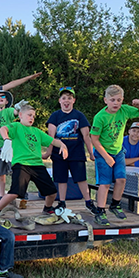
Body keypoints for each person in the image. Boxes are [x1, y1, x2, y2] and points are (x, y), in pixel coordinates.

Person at [0, 104, 69, 216]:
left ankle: (47, 208)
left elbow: (53, 141)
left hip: (37, 165)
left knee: (52, 192)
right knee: (15, 193)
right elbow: (3, 129)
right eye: (29, 115)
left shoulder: (36, 131)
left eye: (33, 116)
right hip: (21, 164)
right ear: (20, 115)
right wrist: (7, 140)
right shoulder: (17, 126)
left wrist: (62, 145)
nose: (31, 118)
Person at [90, 85, 139, 226]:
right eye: (112, 100)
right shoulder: (100, 117)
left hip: (118, 152)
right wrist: (106, 156)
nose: (116, 103)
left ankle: (115, 205)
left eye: (119, 100)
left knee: (121, 179)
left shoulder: (124, 110)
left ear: (122, 100)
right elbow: (94, 139)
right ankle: (100, 211)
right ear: (105, 100)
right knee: (104, 183)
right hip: (103, 152)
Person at [43, 86, 98, 214]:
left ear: (74, 100)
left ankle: (88, 202)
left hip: (76, 153)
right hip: (59, 154)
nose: (66, 101)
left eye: (69, 98)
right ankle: (61, 202)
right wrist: (48, 152)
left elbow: (86, 136)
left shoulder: (79, 116)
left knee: (81, 178)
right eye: (63, 98)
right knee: (61, 179)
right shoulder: (55, 116)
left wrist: (91, 153)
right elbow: (50, 137)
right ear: (59, 101)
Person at [0, 90, 27, 203]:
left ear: (7, 101)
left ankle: (18, 192)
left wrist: (19, 108)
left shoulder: (9, 111)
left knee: (16, 170)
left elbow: (16, 113)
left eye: (3, 96)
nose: (0, 98)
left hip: (9, 146)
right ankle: (0, 195)